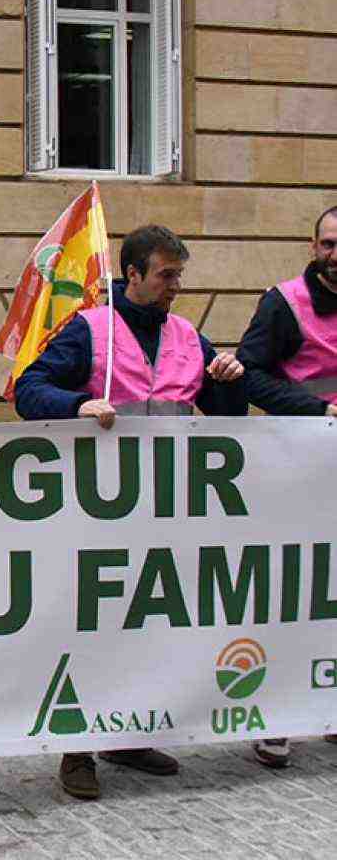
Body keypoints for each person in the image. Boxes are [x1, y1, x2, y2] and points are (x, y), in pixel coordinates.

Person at [14, 224, 246, 799]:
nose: (175, 287)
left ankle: (129, 734)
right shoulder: (91, 330)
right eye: (166, 275)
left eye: (179, 276)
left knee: (149, 628)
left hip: (167, 511)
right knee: (91, 627)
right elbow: (29, 389)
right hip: (98, 512)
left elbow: (224, 416)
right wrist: (76, 403)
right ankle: (77, 747)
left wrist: (227, 381)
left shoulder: (189, 336)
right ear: (133, 274)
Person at [236, 204, 337, 768]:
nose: (335, 255)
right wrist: (319, 410)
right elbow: (249, 375)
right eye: (328, 244)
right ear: (313, 245)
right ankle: (273, 716)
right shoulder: (284, 303)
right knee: (289, 593)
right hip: (298, 465)